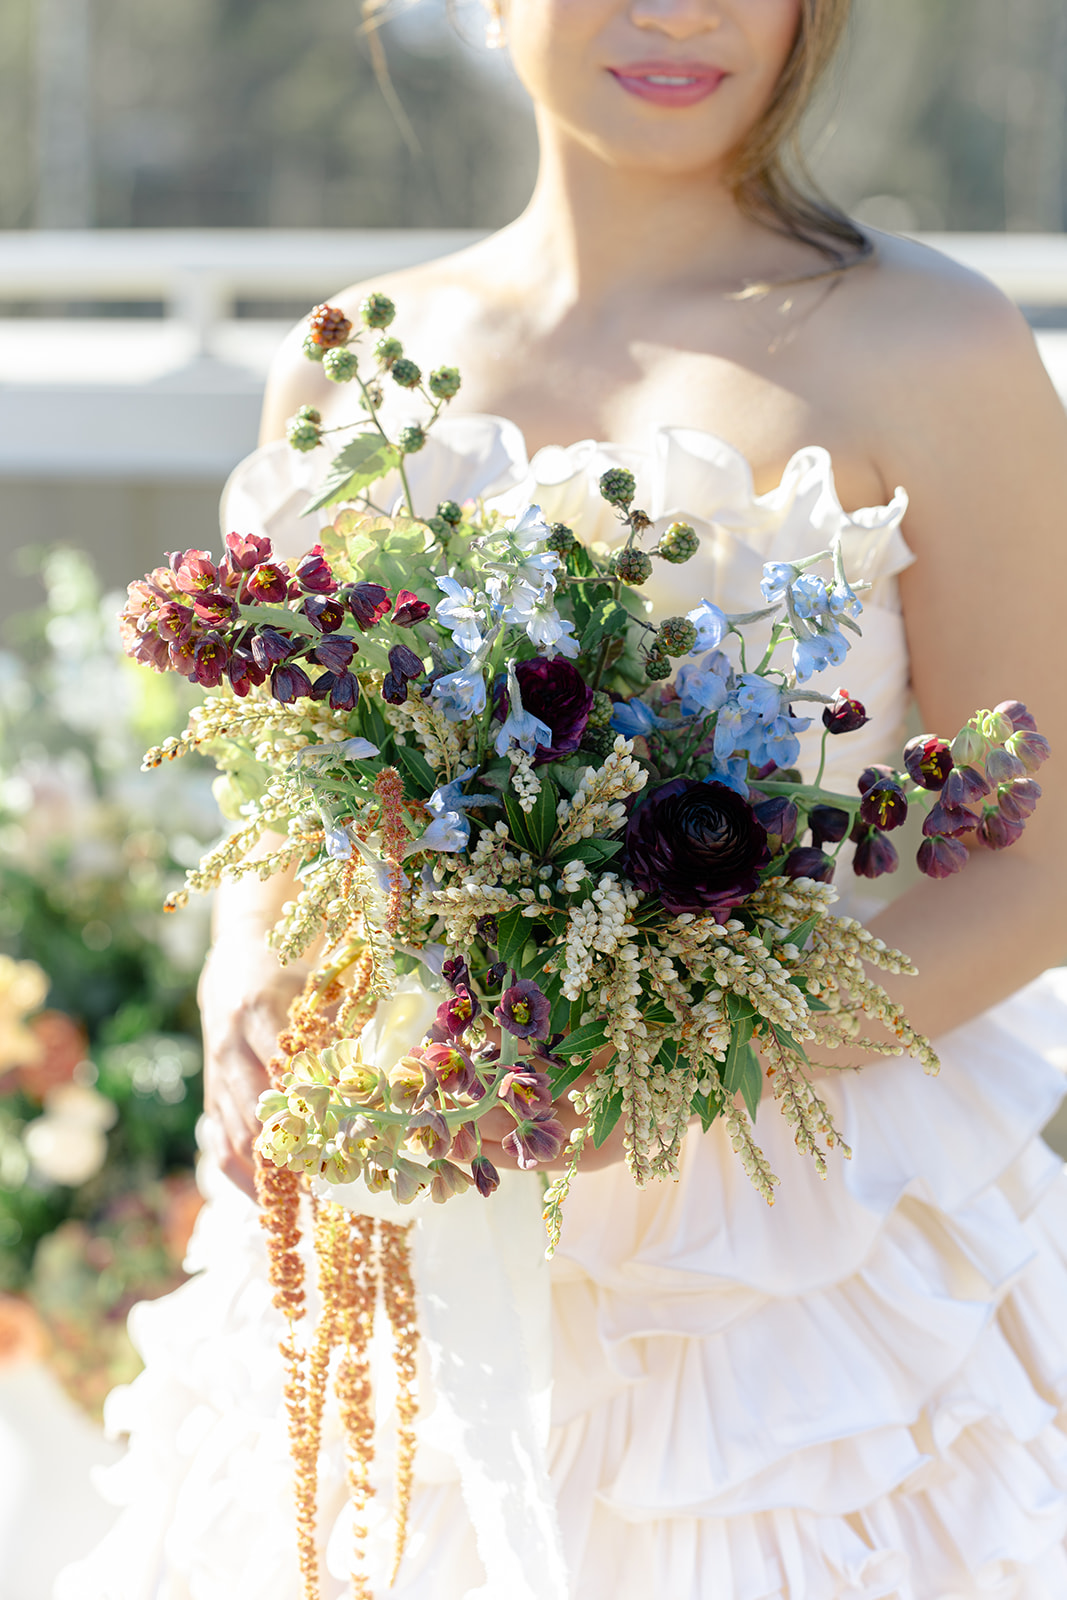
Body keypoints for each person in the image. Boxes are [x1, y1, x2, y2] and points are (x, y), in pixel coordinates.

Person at [60, 1, 1067, 1596]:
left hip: (799, 1302)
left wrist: (678, 1065)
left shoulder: (936, 346)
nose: (685, 10)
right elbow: (285, 795)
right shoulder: (345, 362)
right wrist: (243, 964)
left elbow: (1046, 857)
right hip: (391, 1221)